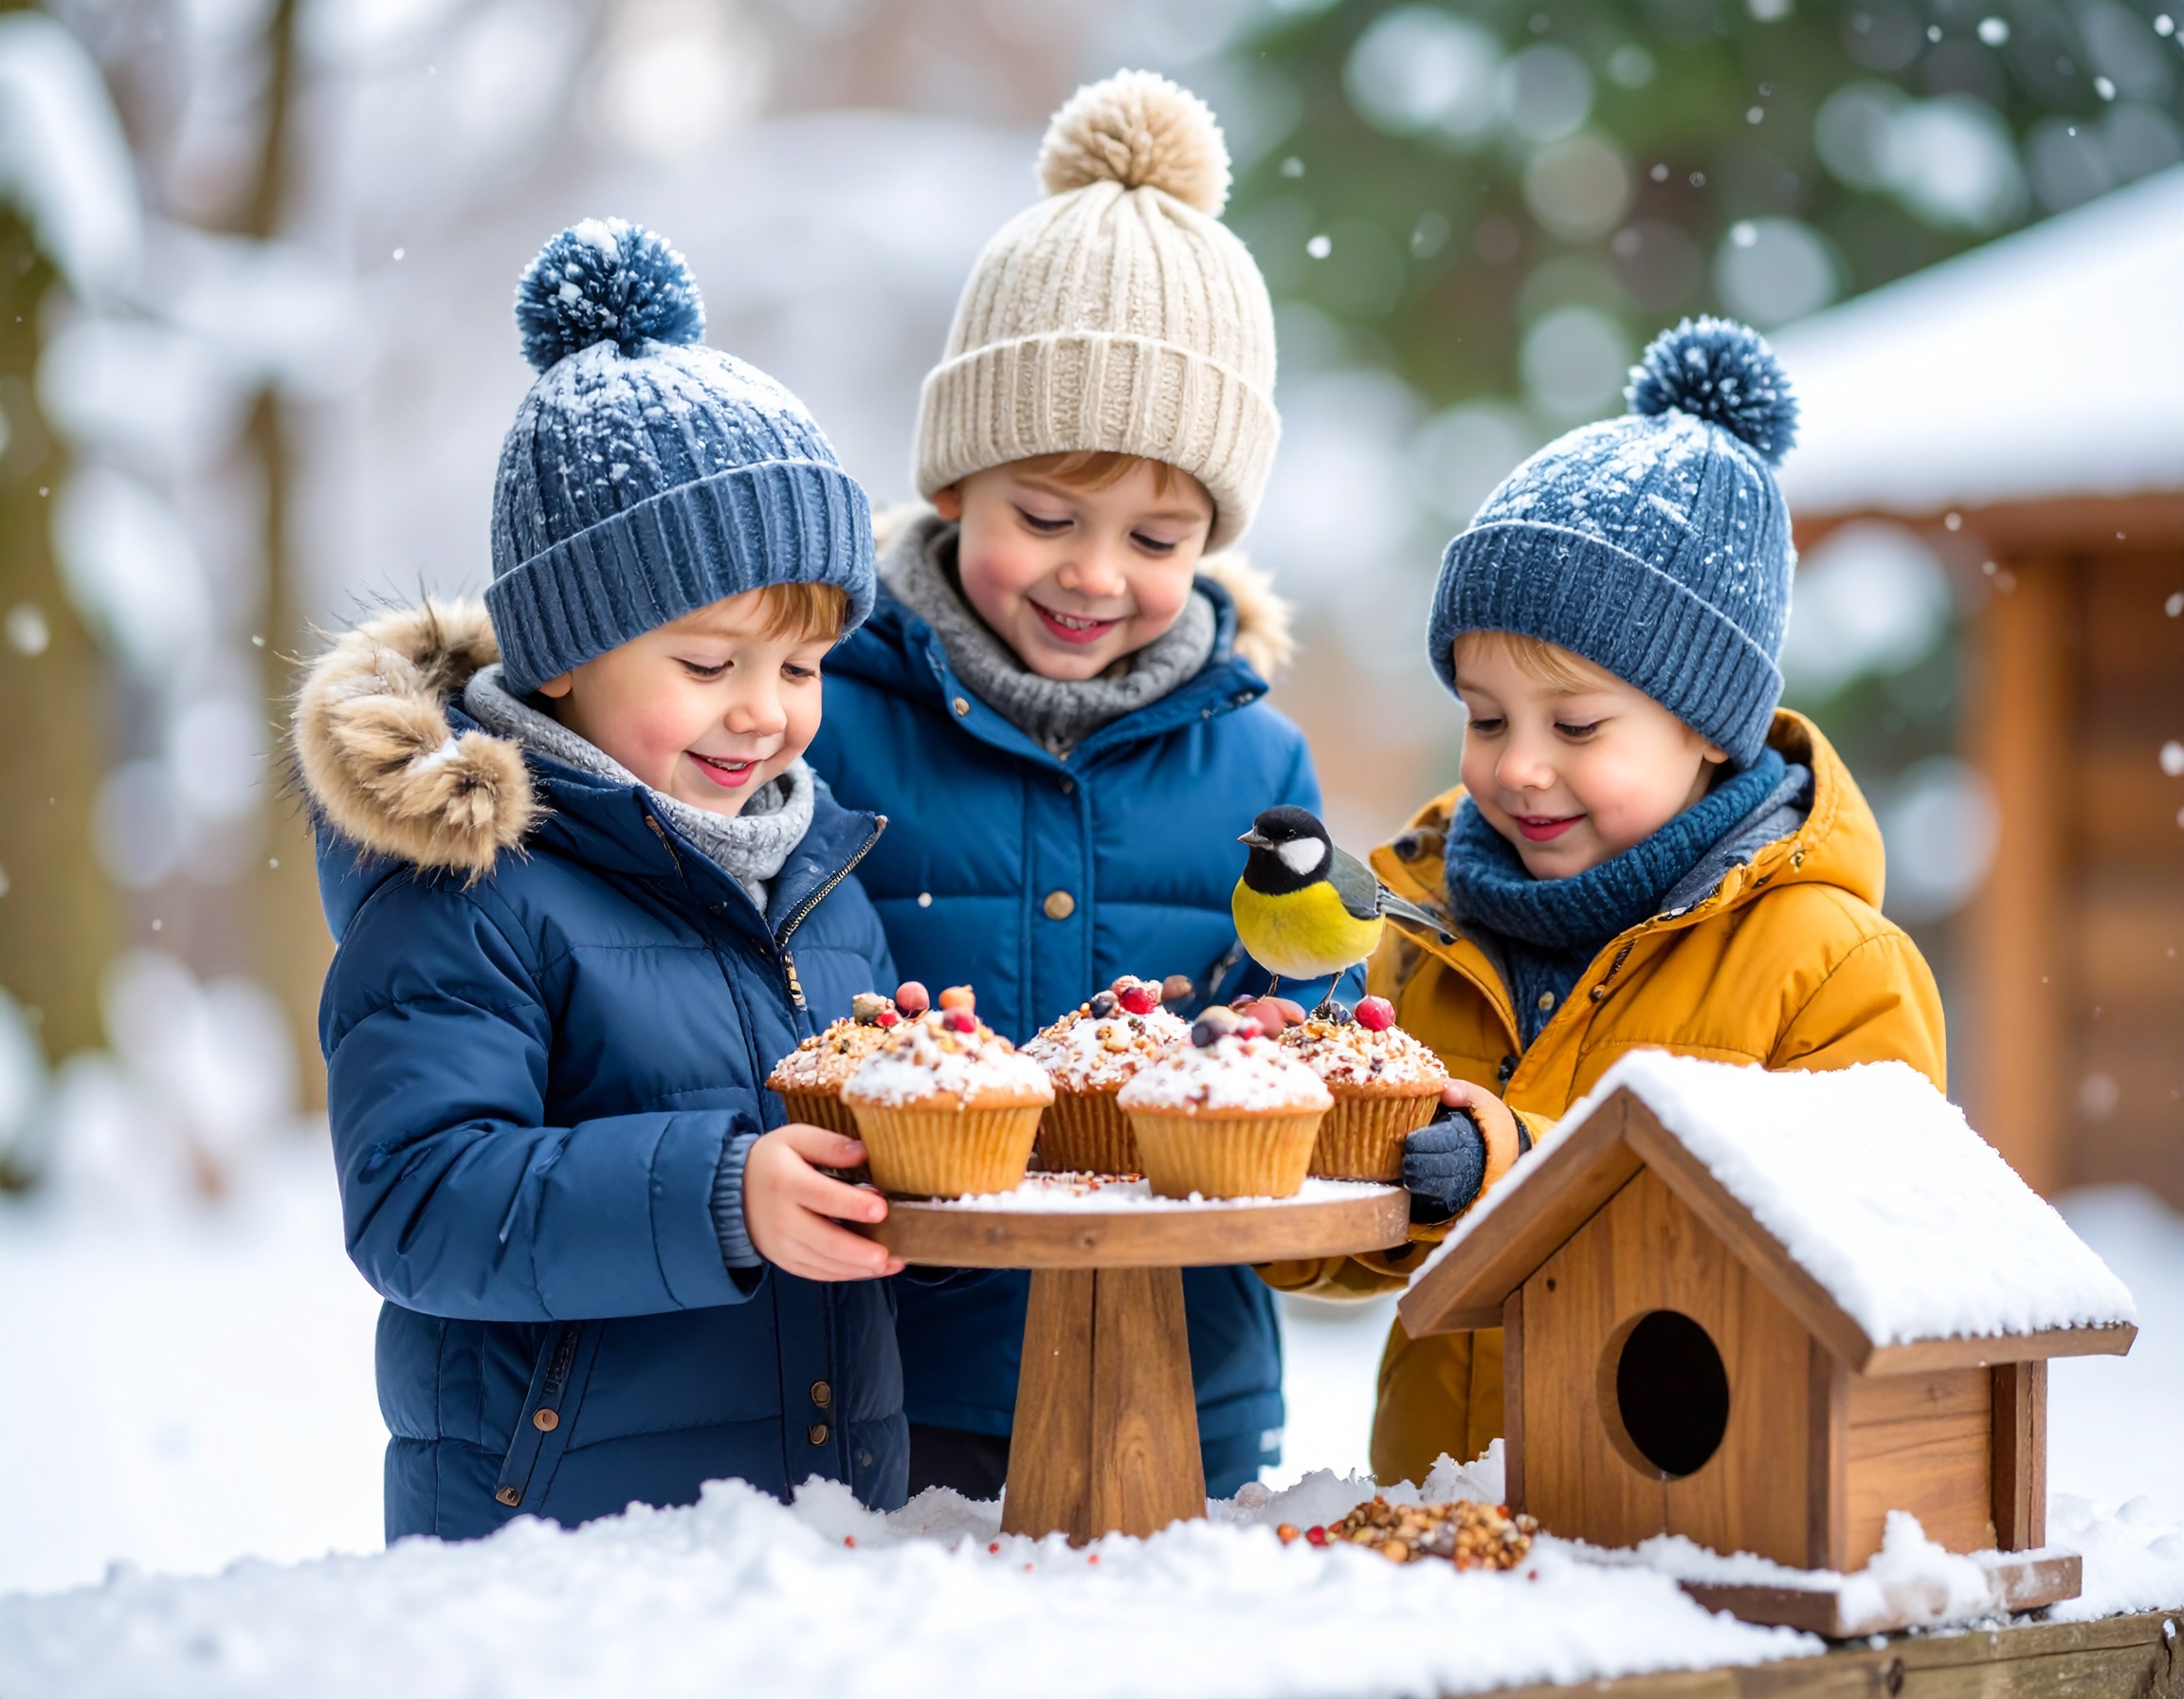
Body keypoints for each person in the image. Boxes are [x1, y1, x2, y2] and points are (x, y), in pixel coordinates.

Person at [293, 220, 911, 1540]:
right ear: (567, 653)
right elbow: (420, 1201)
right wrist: (718, 1193)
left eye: (800, 669)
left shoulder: (822, 881)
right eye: (708, 665)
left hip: (813, 1535)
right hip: (557, 1549)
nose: (764, 714)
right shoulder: (472, 889)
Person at [1260, 318, 1948, 1489]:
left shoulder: (1828, 964)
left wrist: (1514, 1168)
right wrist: (1292, 1138)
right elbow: (1344, 1260)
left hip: (1699, 1518)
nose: (1519, 765)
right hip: (1445, 1519)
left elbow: (1864, 1255)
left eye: (1575, 725)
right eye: (1485, 718)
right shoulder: (1427, 926)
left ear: (1709, 735)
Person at [807, 71, 1351, 1499]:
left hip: (1184, 1384)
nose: (1095, 575)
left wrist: (1266, 1051)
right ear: (953, 487)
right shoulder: (828, 720)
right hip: (889, 1379)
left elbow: (1304, 1022)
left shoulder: (1256, 763)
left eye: (1161, 536)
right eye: (1045, 515)